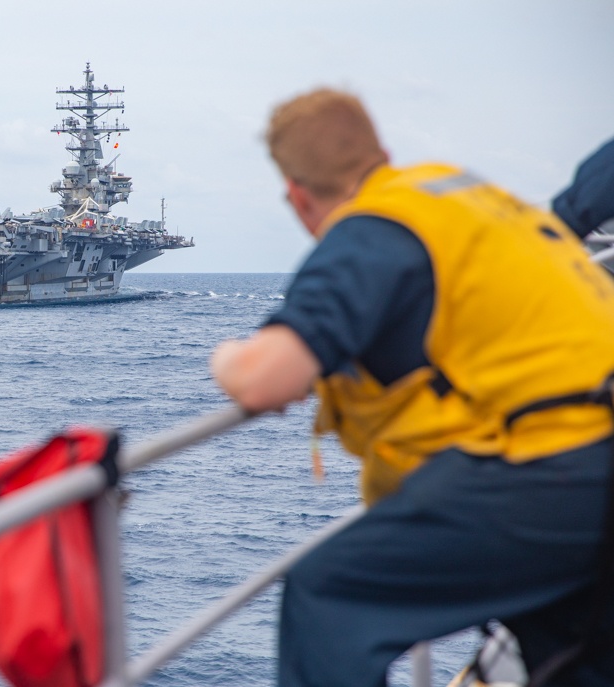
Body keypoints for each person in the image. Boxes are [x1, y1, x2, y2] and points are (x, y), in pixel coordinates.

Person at [211, 88, 614, 686]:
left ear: (297, 197)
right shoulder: (472, 195)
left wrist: (226, 356)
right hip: (589, 450)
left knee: (329, 593)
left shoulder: (374, 227)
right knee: (567, 648)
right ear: (382, 153)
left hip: (553, 469)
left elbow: (265, 379)